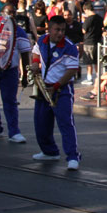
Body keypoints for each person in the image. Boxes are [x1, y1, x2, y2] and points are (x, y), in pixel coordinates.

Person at [29, 15, 81, 170]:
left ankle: (73, 156)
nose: (60, 33)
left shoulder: (69, 46)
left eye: (63, 30)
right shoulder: (42, 40)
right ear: (49, 29)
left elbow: (72, 70)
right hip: (44, 88)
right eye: (57, 30)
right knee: (41, 123)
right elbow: (36, 53)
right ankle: (49, 151)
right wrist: (35, 64)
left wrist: (57, 85)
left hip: (61, 90)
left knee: (66, 123)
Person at [0, 8, 31, 144]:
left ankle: (14, 131)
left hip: (10, 70)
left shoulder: (19, 31)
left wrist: (26, 73)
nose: (10, 16)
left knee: (9, 101)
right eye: (8, 13)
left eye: (13, 14)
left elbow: (25, 52)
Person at [80, 2, 103, 86]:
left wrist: (83, 21)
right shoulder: (99, 18)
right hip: (97, 41)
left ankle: (89, 78)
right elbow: (102, 27)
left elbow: (84, 31)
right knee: (96, 61)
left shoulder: (88, 19)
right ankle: (98, 77)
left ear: (86, 9)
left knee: (88, 61)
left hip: (89, 41)